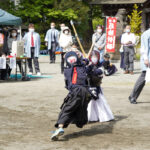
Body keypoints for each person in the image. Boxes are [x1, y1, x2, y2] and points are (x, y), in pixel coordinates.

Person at [51, 51, 91, 141]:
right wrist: (81, 57)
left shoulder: (67, 70)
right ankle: (79, 123)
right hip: (86, 92)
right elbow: (86, 62)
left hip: (76, 91)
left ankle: (60, 128)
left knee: (66, 109)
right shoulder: (82, 67)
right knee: (80, 109)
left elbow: (68, 86)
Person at [86, 50, 114, 122]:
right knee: (89, 101)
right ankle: (89, 117)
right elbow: (85, 72)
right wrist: (87, 67)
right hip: (89, 86)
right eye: (92, 56)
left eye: (95, 56)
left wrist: (106, 62)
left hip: (97, 85)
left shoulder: (100, 65)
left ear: (98, 57)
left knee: (99, 100)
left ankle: (103, 116)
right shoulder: (87, 64)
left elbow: (101, 71)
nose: (94, 58)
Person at [129, 27, 150, 104]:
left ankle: (132, 95)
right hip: (148, 60)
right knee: (143, 79)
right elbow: (144, 48)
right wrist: (146, 59)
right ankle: (133, 96)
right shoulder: (146, 34)